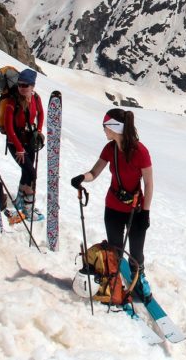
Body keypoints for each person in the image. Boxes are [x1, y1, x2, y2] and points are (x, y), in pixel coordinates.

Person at [74, 109, 154, 280]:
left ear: (114, 128)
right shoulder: (110, 149)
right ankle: (114, 279)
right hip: (113, 207)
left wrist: (145, 212)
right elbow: (94, 172)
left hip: (136, 210)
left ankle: (138, 277)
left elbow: (148, 183)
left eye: (105, 126)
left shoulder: (140, 151)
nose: (103, 129)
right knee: (115, 249)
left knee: (136, 252)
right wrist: (82, 178)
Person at [1, 68, 45, 221]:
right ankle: (28, 207)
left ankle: (20, 201)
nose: (21, 88)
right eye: (19, 84)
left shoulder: (36, 98)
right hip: (16, 143)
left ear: (32, 86)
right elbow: (8, 127)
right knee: (31, 173)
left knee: (27, 172)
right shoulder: (12, 102)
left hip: (29, 141)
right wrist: (19, 149)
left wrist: (38, 131)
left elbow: (40, 114)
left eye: (25, 85)